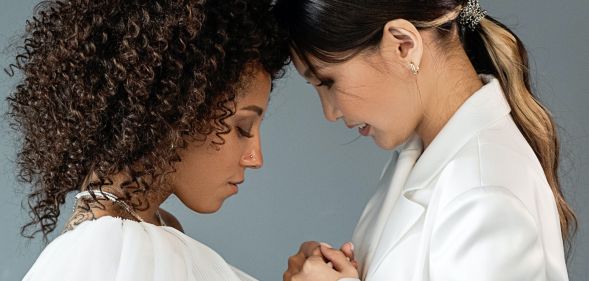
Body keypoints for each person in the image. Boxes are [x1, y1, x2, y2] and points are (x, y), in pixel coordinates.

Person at [275, 0, 577, 280]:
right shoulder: (420, 157)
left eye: (328, 82)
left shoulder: (485, 194)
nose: (330, 112)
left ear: (403, 46)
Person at [6, 0, 289, 280]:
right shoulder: (111, 248)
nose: (255, 158)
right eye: (242, 127)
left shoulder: (152, 230)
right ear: (175, 111)